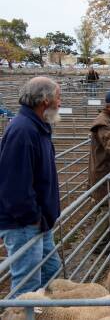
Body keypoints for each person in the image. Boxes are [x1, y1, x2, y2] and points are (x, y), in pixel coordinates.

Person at [0, 77, 62, 298]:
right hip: (24, 223)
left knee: (52, 269)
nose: (60, 103)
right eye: (58, 97)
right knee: (27, 282)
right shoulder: (23, 131)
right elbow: (14, 184)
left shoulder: (37, 127)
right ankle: (22, 313)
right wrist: (33, 217)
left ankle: (40, 311)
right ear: (45, 100)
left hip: (37, 221)